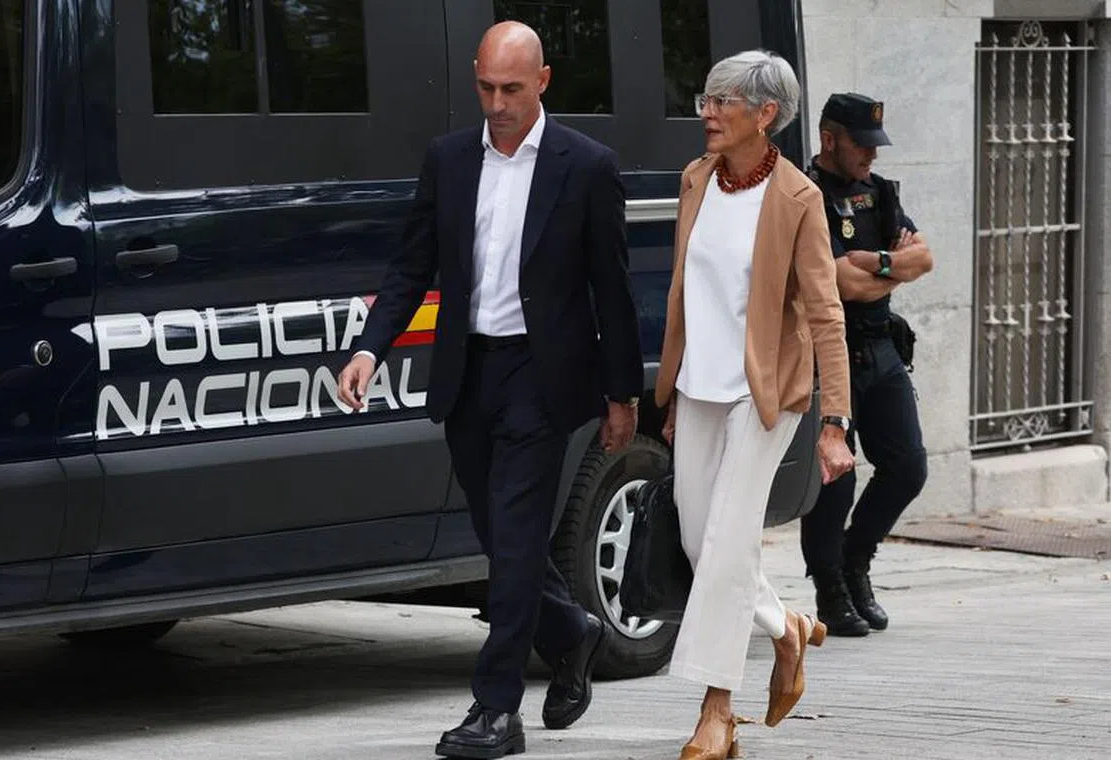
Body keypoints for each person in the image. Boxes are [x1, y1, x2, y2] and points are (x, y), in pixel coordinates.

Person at [337, 21, 644, 760]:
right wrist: (369, 349)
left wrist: (622, 394)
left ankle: (495, 710)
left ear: (543, 82)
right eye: (486, 87)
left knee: (513, 541)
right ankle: (572, 632)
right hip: (468, 372)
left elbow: (613, 288)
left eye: (512, 88)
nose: (498, 102)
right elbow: (412, 266)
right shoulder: (447, 160)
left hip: (542, 379)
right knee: (498, 538)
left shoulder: (586, 166)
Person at [654, 51, 855, 760]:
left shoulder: (797, 199)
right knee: (696, 538)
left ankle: (716, 712)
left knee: (730, 539)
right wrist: (674, 385)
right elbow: (688, 291)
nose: (705, 113)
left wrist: (836, 422)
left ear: (764, 114)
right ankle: (786, 628)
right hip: (699, 385)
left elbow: (826, 313)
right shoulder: (697, 180)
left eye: (720, 102)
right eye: (705, 100)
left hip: (765, 394)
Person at [800, 93, 933, 638]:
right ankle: (830, 587)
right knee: (835, 478)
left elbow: (923, 257)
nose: (871, 156)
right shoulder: (806, 196)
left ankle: (857, 560)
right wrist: (889, 269)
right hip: (830, 350)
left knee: (908, 465)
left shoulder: (880, 193)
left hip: (880, 348)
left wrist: (878, 261)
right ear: (830, 139)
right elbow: (837, 281)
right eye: (862, 144)